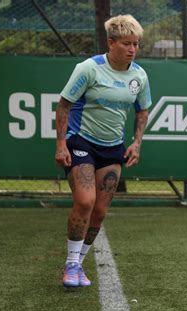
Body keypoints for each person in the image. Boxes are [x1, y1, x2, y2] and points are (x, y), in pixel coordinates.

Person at [55, 14, 151, 288]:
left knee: (99, 211)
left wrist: (136, 142)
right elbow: (64, 105)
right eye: (126, 43)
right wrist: (61, 144)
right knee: (85, 201)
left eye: (136, 44)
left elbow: (142, 110)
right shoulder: (88, 69)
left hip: (113, 148)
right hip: (81, 141)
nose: (133, 49)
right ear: (111, 43)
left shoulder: (140, 76)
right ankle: (70, 264)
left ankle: (78, 264)